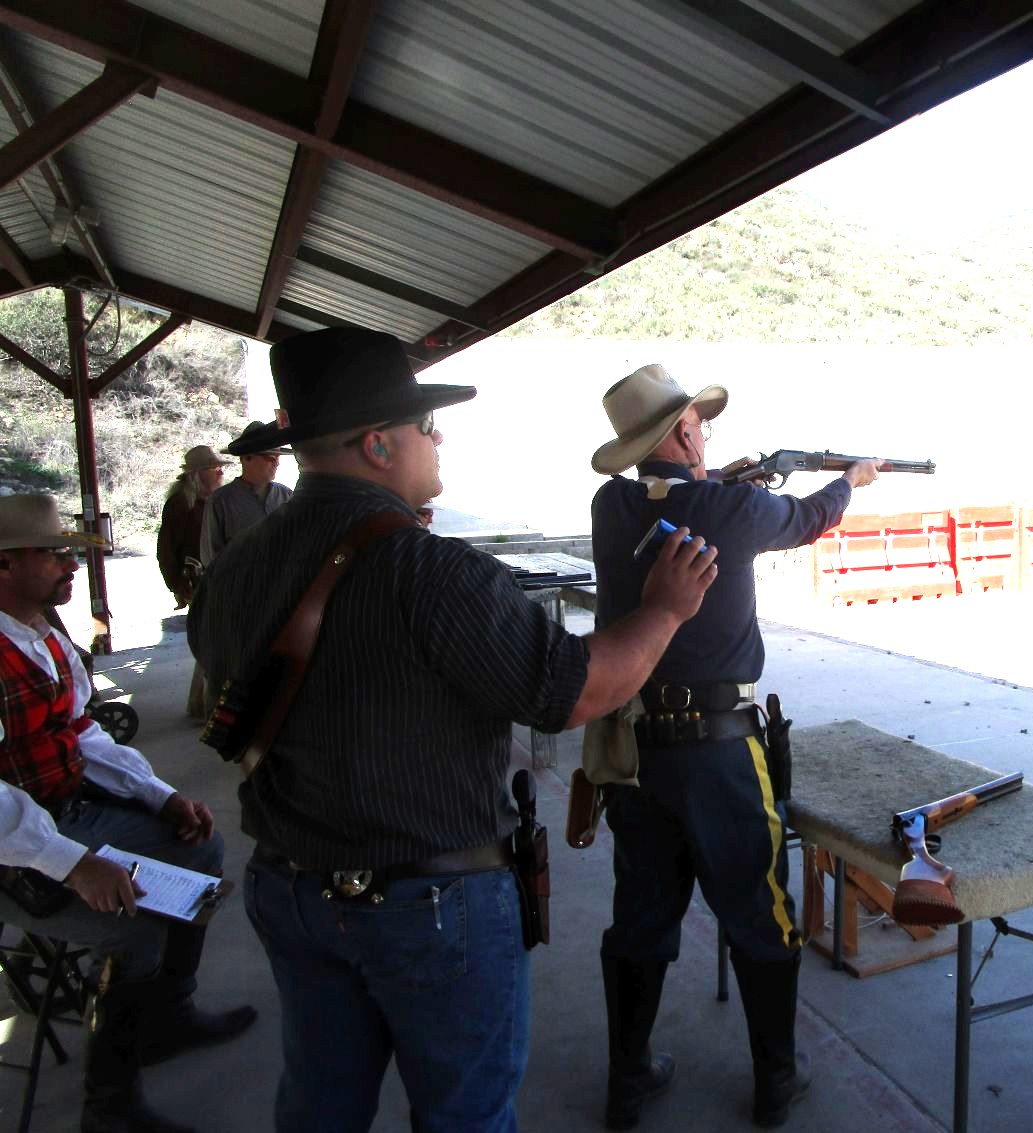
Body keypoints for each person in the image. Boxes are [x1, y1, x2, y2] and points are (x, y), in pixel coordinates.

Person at [188, 327, 718, 1133]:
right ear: (378, 444)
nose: (438, 440)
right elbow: (577, 692)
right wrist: (664, 610)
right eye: (425, 426)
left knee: (319, 1106)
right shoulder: (428, 568)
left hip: (290, 886)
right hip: (427, 901)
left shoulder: (234, 567)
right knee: (465, 1114)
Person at [587, 364, 877, 1129]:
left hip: (636, 748)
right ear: (685, 432)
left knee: (641, 911)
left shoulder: (611, 505)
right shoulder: (732, 507)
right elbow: (810, 517)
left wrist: (725, 481)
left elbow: (675, 499)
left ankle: (627, 1078)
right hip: (720, 750)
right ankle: (776, 1079)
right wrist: (850, 480)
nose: (704, 434)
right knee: (760, 908)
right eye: (698, 426)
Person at [0, 494, 257, 1133]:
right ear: (4, 564)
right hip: (11, 850)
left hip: (61, 812)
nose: (71, 565)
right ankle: (108, 1109)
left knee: (200, 849)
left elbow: (81, 731)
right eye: (54, 553)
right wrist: (72, 863)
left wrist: (158, 795)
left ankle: (167, 1017)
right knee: (132, 929)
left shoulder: (42, 635)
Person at [198, 423, 293, 565]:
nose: (277, 463)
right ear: (247, 457)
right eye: (271, 457)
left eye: (278, 457)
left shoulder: (287, 496)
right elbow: (211, 559)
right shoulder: (220, 501)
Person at [156, 445, 228, 610]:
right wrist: (178, 586)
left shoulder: (218, 500)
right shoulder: (180, 503)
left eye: (221, 467)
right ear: (197, 473)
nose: (221, 473)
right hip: (198, 584)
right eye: (215, 468)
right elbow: (166, 550)